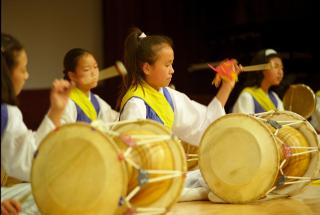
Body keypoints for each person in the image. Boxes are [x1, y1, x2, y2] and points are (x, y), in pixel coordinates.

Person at [118, 27, 240, 146]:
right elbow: (129, 152)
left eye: (172, 64)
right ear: (147, 68)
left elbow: (203, 124)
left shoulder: (167, 95)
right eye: (167, 65)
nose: (172, 70)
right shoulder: (135, 103)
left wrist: (227, 85)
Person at [1, 33, 71, 185]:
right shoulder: (6, 113)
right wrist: (56, 112)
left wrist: (56, 111)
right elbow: (31, 161)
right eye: (23, 69)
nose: (27, 76)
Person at [60, 48, 119, 124]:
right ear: (72, 75)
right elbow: (64, 133)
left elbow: (115, 120)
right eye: (87, 69)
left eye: (95, 67)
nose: (94, 73)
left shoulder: (95, 100)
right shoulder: (67, 102)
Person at [232, 48, 284, 114]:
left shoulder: (275, 97)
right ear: (260, 68)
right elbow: (243, 123)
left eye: (282, 68)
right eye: (276, 66)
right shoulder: (247, 96)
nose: (280, 72)